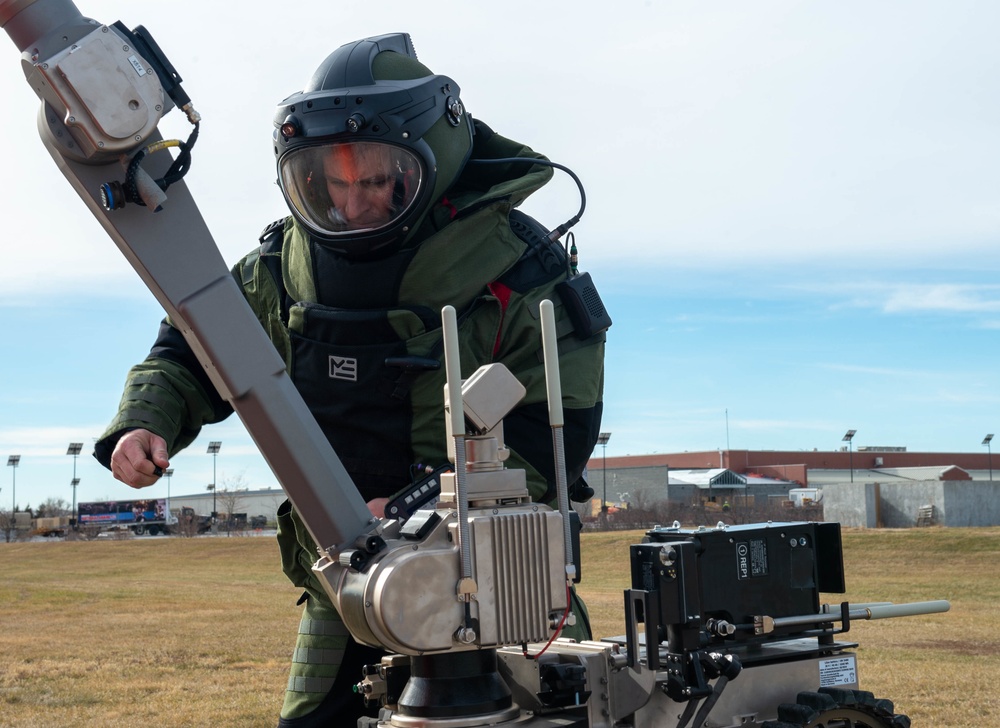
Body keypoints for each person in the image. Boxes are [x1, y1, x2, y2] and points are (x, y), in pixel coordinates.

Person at [94, 33, 607, 726]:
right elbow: (194, 353)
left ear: (436, 162)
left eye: (374, 181)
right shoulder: (279, 270)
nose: (354, 204)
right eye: (330, 184)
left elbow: (552, 440)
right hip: (349, 579)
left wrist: (414, 512)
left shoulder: (525, 274)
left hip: (505, 583)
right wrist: (146, 419)